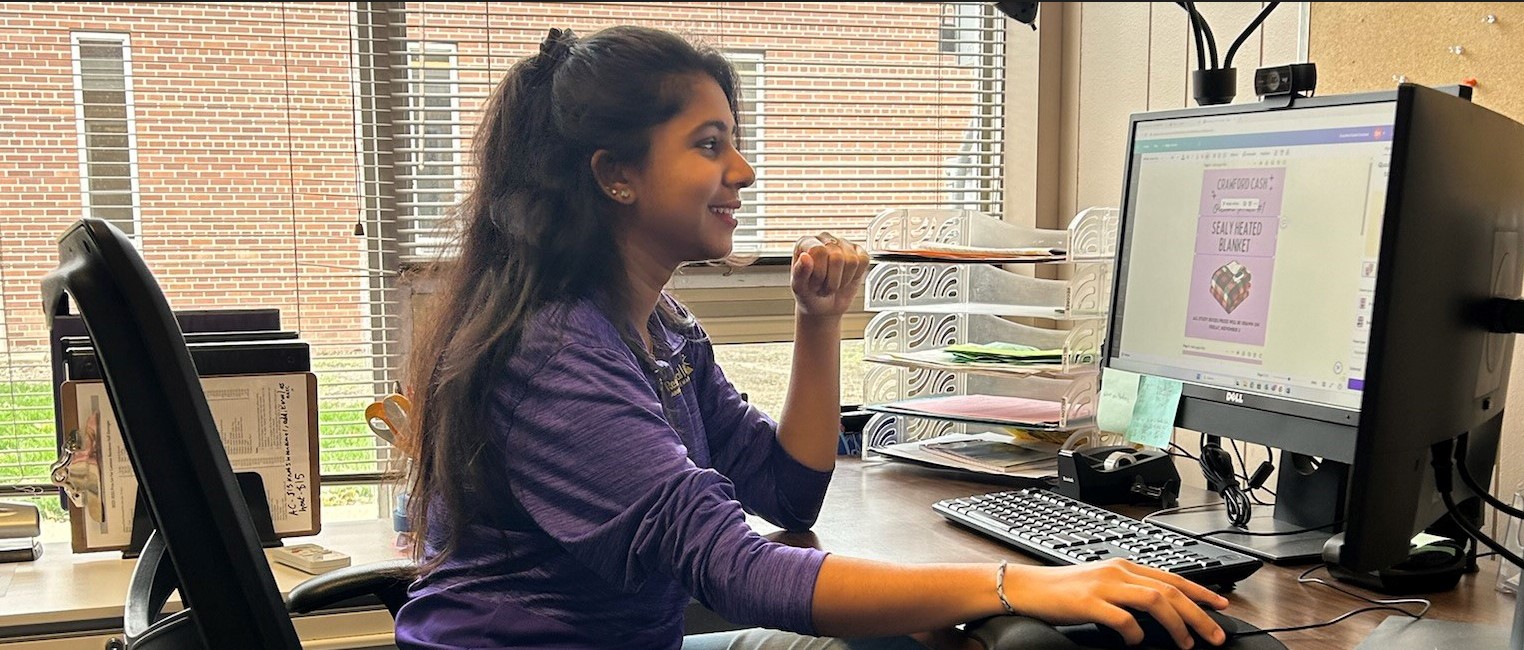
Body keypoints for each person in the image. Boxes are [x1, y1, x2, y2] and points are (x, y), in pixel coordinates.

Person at [395, 25, 1230, 650]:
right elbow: (739, 569)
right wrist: (1018, 583)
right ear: (616, 174)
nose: (744, 170)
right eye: (709, 144)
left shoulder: (660, 328)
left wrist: (818, 320)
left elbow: (784, 491)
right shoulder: (554, 354)